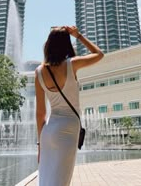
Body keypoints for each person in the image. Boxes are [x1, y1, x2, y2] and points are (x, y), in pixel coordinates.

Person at [35, 25, 104, 186]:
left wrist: (40, 145)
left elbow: (40, 113)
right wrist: (78, 35)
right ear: (66, 45)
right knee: (61, 181)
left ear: (48, 44)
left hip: (48, 132)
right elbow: (99, 54)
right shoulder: (71, 64)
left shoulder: (39, 71)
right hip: (68, 129)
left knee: (45, 181)